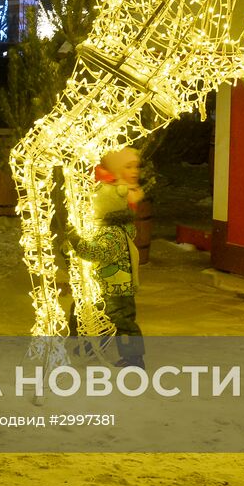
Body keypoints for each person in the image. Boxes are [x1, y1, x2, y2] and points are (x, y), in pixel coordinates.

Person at [77, 147, 145, 367]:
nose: (134, 171)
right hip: (106, 280)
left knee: (121, 318)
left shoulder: (113, 232)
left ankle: (133, 357)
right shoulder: (112, 221)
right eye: (128, 166)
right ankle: (93, 342)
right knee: (97, 311)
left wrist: (76, 242)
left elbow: (99, 252)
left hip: (118, 284)